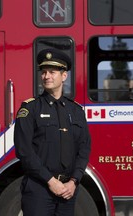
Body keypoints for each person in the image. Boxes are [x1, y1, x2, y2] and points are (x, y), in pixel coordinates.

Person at [14, 48, 91, 216]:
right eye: (44, 72)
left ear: (64, 76)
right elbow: (24, 151)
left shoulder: (76, 111)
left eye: (52, 72)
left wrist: (74, 181)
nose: (46, 76)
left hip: (67, 191)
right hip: (39, 188)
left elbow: (84, 149)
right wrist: (50, 181)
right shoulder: (30, 108)